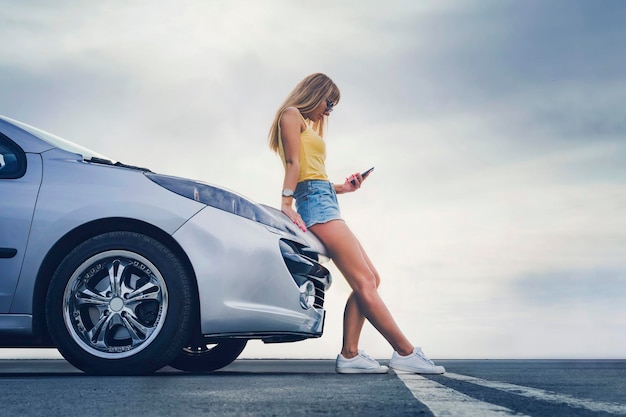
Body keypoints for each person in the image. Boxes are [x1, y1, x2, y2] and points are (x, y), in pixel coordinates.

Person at [268, 73, 445, 375]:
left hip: (324, 198)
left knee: (371, 279)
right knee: (364, 281)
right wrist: (285, 202)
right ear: (315, 93)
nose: (329, 110)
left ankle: (350, 355)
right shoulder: (291, 114)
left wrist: (344, 188)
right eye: (329, 102)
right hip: (314, 203)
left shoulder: (306, 124)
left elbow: (314, 174)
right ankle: (405, 351)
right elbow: (294, 165)